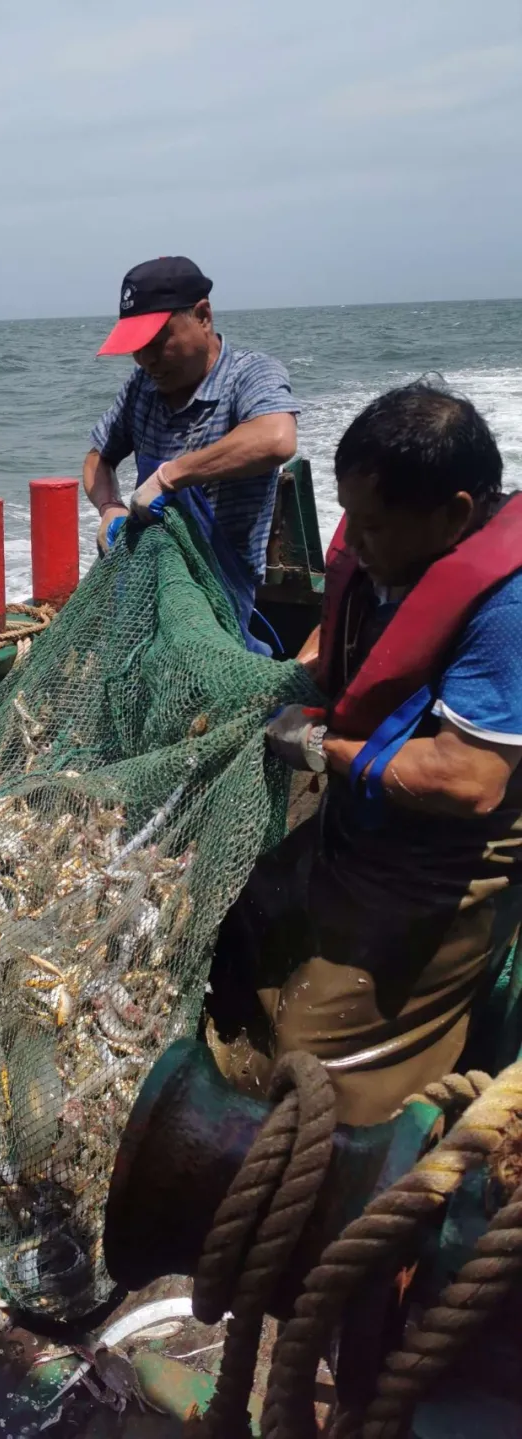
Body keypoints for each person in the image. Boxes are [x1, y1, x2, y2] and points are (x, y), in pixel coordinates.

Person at [209, 382, 522, 1125]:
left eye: (374, 524)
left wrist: (318, 745)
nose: (355, 536)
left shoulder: (505, 612)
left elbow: (470, 779)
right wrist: (286, 691)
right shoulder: (391, 554)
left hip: (445, 861)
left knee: (317, 1070)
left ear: (455, 514)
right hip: (359, 821)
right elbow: (340, 634)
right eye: (350, 512)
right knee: (242, 920)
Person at [84, 256, 300, 653]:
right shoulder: (142, 387)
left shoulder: (251, 375)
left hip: (221, 588)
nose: (145, 360)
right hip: (144, 577)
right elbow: (99, 457)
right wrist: (109, 507)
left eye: (157, 342)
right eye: (136, 348)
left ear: (202, 316)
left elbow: (276, 439)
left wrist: (171, 476)